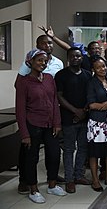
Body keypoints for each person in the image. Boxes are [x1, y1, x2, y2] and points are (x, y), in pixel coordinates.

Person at [15, 49, 67, 204]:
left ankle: (52, 185)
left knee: (54, 153)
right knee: (32, 158)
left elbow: (54, 103)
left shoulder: (50, 78)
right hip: (33, 125)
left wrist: (57, 123)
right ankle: (33, 189)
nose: (42, 64)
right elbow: (20, 110)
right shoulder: (23, 82)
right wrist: (24, 134)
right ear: (30, 61)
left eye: (45, 61)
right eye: (39, 60)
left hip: (50, 125)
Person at [55, 47, 92, 194]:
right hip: (68, 119)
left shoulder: (88, 75)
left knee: (83, 148)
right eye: (72, 56)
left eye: (78, 56)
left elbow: (91, 95)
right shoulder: (61, 75)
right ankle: (69, 180)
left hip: (85, 118)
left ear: (82, 58)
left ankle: (79, 176)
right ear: (68, 58)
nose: (75, 58)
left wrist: (83, 111)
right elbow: (59, 97)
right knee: (69, 150)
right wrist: (75, 111)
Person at [86, 56, 107, 192]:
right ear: (93, 69)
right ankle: (95, 180)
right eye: (99, 67)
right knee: (94, 153)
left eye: (104, 66)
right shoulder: (91, 83)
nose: (102, 69)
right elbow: (91, 104)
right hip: (96, 123)